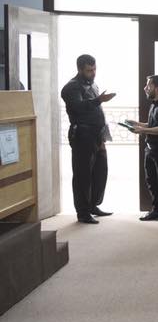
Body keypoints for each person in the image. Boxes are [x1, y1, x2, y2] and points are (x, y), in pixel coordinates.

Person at [60, 54, 115, 224]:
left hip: (98, 135)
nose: (93, 73)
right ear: (80, 69)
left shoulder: (93, 84)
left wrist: (103, 135)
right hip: (82, 135)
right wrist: (99, 100)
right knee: (82, 174)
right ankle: (83, 212)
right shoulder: (71, 87)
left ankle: (92, 206)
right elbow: (78, 107)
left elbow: (95, 109)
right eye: (89, 70)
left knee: (100, 171)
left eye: (95, 69)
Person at [129, 75, 158, 224]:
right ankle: (157, 210)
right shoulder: (154, 105)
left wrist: (142, 130)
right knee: (152, 181)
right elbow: (152, 125)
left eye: (148, 85)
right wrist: (137, 124)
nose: (145, 88)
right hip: (150, 149)